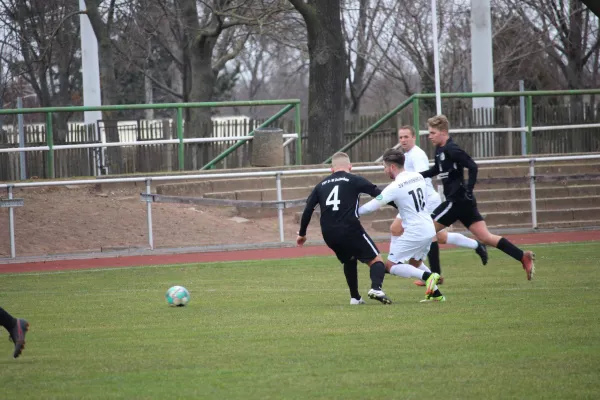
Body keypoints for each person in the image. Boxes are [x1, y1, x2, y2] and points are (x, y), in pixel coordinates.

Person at [420, 115, 535, 280]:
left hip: (456, 201)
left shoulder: (452, 149)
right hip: (464, 203)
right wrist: (414, 176)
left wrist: (469, 188)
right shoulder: (439, 150)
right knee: (485, 237)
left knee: (426, 229)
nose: (429, 136)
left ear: (443, 132)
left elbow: (473, 166)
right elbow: (435, 170)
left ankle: (434, 276)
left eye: (432, 132)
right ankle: (522, 256)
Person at [391, 126, 488, 286]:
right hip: (418, 200)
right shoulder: (407, 155)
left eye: (406, 137)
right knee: (440, 237)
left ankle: (402, 264)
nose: (403, 140)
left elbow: (424, 179)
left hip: (424, 200)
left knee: (397, 228)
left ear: (414, 137)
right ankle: (477, 245)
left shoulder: (417, 155)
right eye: (400, 137)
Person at [296, 152, 393, 305]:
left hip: (329, 234)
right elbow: (380, 195)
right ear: (350, 166)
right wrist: (400, 206)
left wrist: (302, 234)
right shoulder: (354, 179)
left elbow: (308, 209)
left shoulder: (321, 185)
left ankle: (355, 298)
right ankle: (376, 288)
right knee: (376, 260)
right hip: (349, 228)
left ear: (331, 169)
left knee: (349, 260)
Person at [358, 148, 444, 302]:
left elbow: (372, 206)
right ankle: (436, 295)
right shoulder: (417, 177)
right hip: (428, 227)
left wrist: (354, 212)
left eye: (384, 167)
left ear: (392, 167)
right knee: (415, 262)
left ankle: (429, 276)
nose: (385, 171)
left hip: (415, 230)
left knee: (391, 266)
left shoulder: (395, 186)